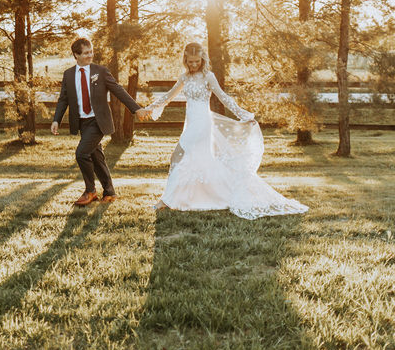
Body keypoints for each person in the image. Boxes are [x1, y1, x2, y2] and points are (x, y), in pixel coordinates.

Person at [143, 42, 308, 219]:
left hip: (202, 124)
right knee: (197, 161)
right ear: (185, 60)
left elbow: (224, 97)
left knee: (177, 156)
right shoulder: (184, 78)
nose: (193, 65)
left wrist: (243, 115)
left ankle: (166, 200)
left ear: (202, 59)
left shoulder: (208, 77)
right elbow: (168, 96)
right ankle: (202, 196)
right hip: (190, 123)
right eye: (190, 62)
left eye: (196, 61)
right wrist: (150, 108)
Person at [51, 37, 148, 205]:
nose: (90, 55)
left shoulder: (100, 71)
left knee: (81, 153)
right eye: (86, 53)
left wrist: (136, 108)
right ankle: (110, 192)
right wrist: (56, 120)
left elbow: (118, 90)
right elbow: (63, 99)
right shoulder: (68, 75)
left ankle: (90, 191)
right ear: (76, 54)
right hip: (82, 122)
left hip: (97, 121)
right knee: (96, 157)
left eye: (91, 51)